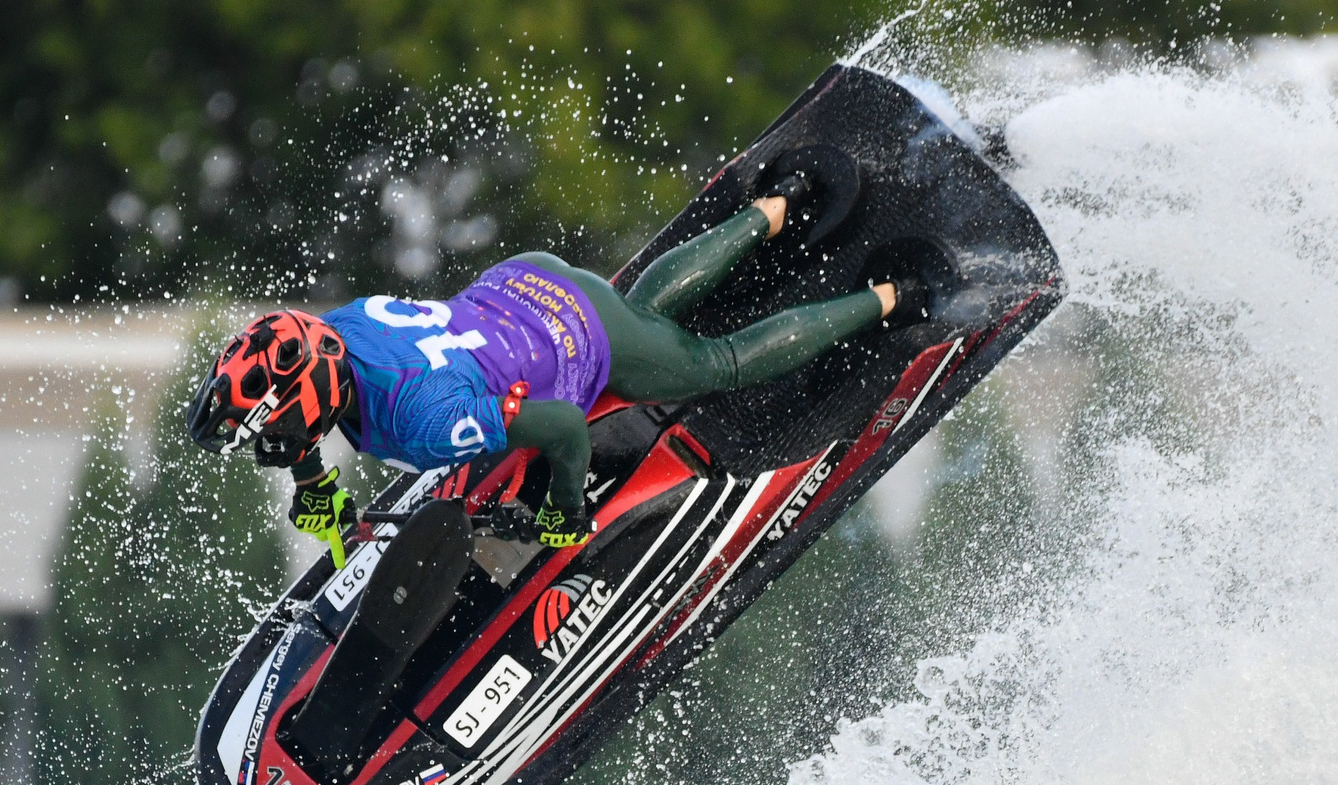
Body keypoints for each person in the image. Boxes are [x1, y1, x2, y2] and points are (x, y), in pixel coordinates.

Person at [186, 173, 926, 554]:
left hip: (576, 338)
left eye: (267, 432)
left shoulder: (421, 424)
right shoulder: (336, 329)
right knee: (644, 305)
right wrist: (317, 488)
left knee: (715, 362)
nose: (268, 444)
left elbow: (565, 427)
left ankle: (892, 297)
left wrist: (564, 511)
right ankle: (780, 204)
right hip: (521, 281)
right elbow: (309, 407)